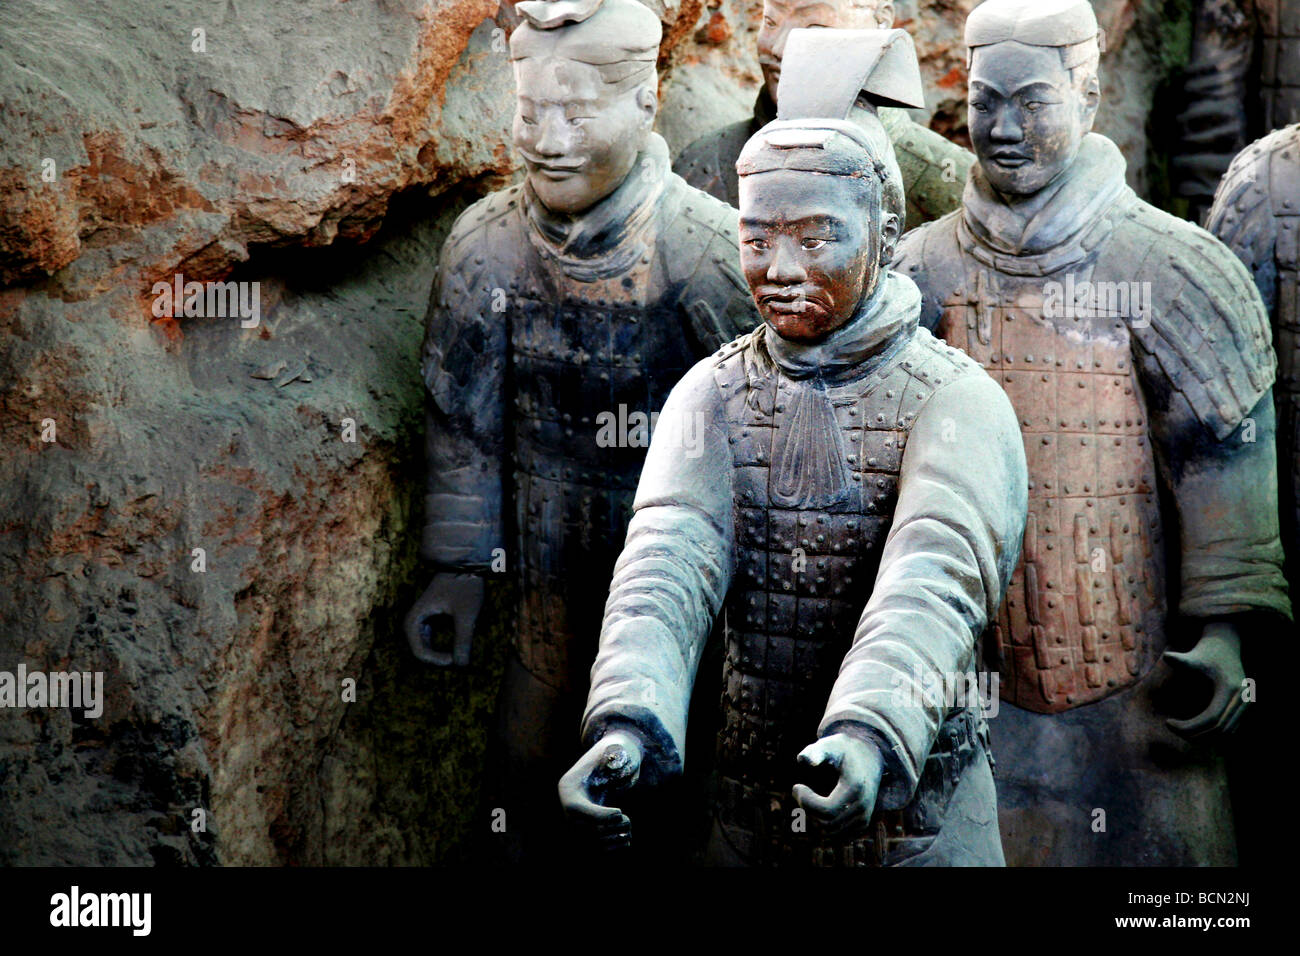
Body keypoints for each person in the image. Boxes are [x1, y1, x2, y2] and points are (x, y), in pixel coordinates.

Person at [560, 87, 1028, 866]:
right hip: (751, 816)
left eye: (816, 240)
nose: (777, 270)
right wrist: (625, 721)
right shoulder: (711, 393)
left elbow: (934, 580)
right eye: (755, 239)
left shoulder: (958, 401)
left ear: (885, 234)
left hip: (915, 828)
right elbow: (665, 563)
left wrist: (871, 734)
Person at [894, 0, 1292, 865]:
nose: (1001, 128)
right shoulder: (920, 272)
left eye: (1031, 101)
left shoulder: (1173, 270)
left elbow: (1220, 465)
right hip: (967, 689)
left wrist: (1222, 638)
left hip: (1138, 699)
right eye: (983, 100)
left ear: (1090, 93)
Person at [407, 0, 757, 861]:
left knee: (679, 798)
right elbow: (466, 426)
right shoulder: (484, 246)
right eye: (530, 113)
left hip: (688, 607)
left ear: (645, 104)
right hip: (546, 593)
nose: (548, 139)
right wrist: (458, 566)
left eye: (577, 113)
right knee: (523, 788)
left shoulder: (706, 253)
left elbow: (765, 443)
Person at [673, 0, 973, 230]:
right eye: (770, 21)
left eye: (813, 28)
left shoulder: (954, 186)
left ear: (881, 20)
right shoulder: (704, 164)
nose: (778, 48)